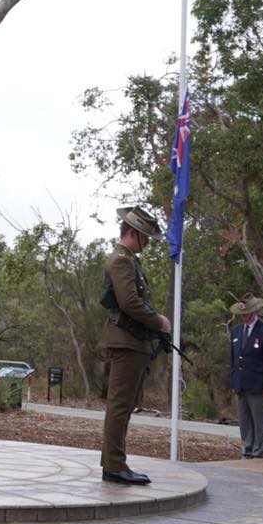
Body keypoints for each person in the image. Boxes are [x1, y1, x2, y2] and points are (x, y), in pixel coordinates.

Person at [98, 205, 171, 485]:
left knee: (124, 405)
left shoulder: (129, 259)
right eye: (145, 236)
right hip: (126, 342)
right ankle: (115, 466)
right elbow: (129, 302)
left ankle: (113, 464)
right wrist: (159, 322)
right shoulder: (121, 260)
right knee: (120, 406)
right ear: (132, 234)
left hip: (133, 342)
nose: (148, 242)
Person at [230, 295, 263, 459]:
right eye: (242, 314)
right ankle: (247, 449)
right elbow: (233, 359)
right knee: (244, 420)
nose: (244, 317)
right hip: (241, 384)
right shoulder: (236, 331)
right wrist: (233, 380)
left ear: (256, 311)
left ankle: (258, 451)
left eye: (248, 313)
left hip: (258, 384)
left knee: (258, 420)